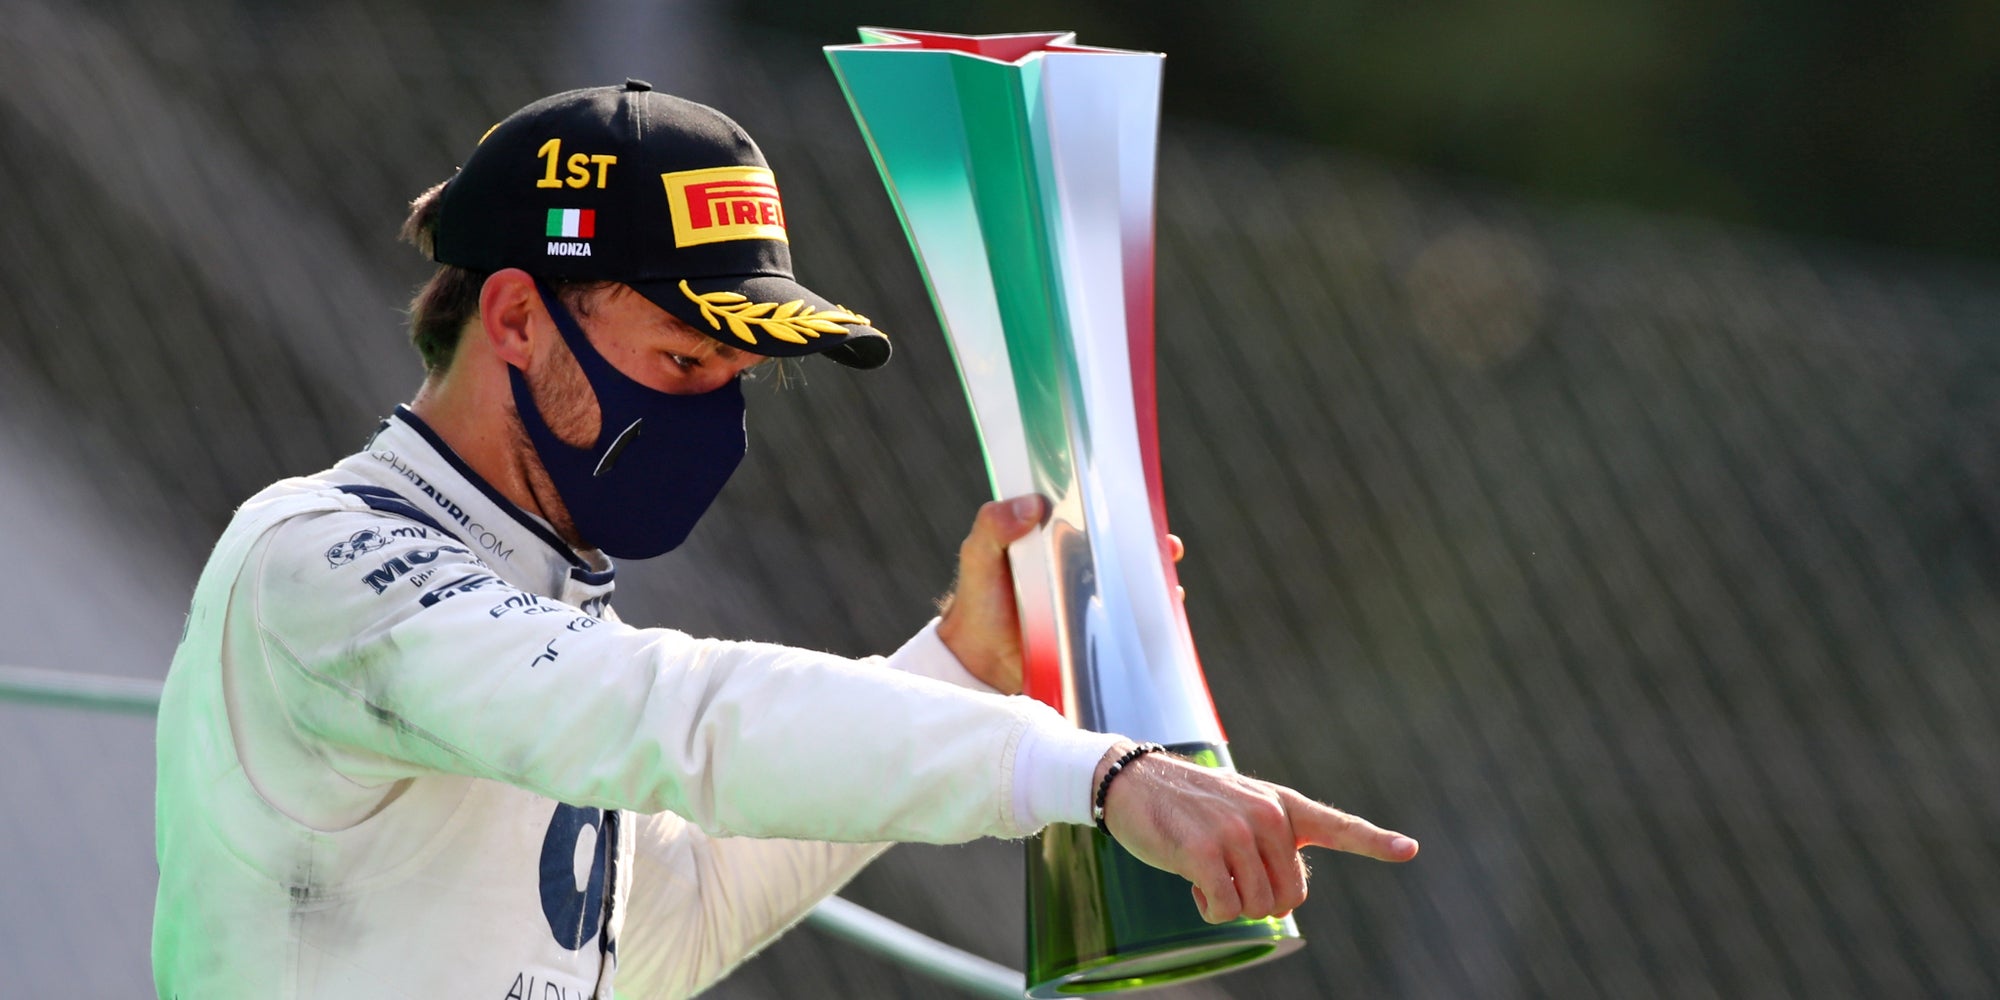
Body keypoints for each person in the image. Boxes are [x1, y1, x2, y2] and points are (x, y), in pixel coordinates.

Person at [151, 80, 1417, 999]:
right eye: (685, 358)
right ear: (518, 317)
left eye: (738, 374)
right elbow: (675, 718)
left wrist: (958, 665)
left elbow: (667, 929)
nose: (713, 415)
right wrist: (1093, 773)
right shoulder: (315, 562)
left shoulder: (538, 617)